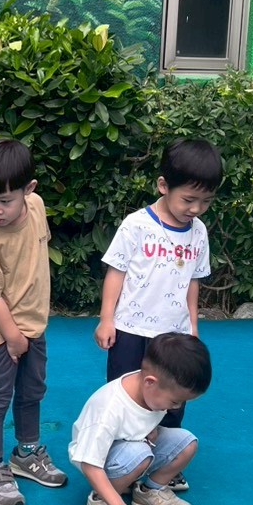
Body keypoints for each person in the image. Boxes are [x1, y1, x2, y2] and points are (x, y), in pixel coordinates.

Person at [0, 137, 68, 505]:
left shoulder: (36, 207)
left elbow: (37, 251)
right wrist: (12, 337)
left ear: (29, 190)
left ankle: (26, 453)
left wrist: (26, 331)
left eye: (4, 200)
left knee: (32, 391)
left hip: (33, 326)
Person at [95, 138, 220, 444]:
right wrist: (106, 319)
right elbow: (116, 272)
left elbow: (193, 281)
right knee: (126, 395)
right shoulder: (136, 225)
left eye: (206, 201)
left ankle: (165, 452)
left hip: (175, 335)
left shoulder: (199, 231)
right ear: (163, 186)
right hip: (130, 329)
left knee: (173, 396)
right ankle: (122, 452)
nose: (196, 209)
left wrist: (193, 327)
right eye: (188, 199)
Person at [69, 332, 211, 505]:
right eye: (174, 401)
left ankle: (150, 491)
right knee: (140, 455)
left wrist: (151, 430)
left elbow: (141, 419)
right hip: (97, 461)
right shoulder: (108, 409)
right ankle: (101, 501)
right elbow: (89, 464)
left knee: (187, 443)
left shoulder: (153, 386)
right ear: (150, 382)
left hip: (134, 447)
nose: (177, 407)